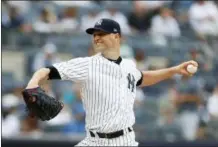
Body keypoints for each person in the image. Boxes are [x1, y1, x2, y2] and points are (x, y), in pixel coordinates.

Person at [24, 18, 198, 146]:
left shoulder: (129, 65)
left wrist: (174, 70)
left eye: (101, 34)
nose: (96, 38)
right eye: (94, 34)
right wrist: (33, 83)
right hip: (94, 141)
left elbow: (142, 77)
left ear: (116, 36)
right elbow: (46, 71)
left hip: (126, 141)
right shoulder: (87, 64)